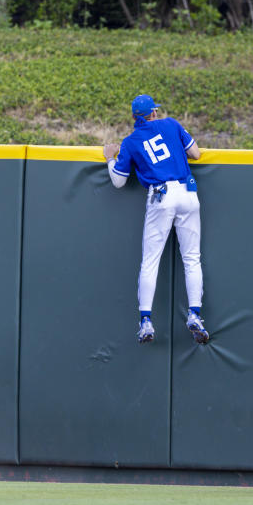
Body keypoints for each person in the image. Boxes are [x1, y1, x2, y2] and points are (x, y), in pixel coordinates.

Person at [103, 94, 209, 345]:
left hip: (160, 196)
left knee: (150, 261)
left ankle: (146, 320)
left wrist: (109, 157)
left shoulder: (130, 141)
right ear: (154, 112)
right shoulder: (171, 124)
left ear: (133, 117)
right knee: (192, 258)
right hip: (187, 193)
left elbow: (118, 181)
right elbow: (195, 153)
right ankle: (195, 314)